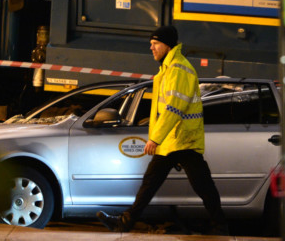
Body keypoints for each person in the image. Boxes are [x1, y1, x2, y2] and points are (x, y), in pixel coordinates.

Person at [97, 25, 228, 235]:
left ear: (167, 45)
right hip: (172, 139)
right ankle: (125, 222)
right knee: (150, 183)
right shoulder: (167, 69)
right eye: (151, 44)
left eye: (155, 43)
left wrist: (155, 139)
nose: (151, 48)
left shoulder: (178, 69)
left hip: (183, 138)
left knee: (202, 185)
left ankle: (220, 226)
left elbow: (174, 108)